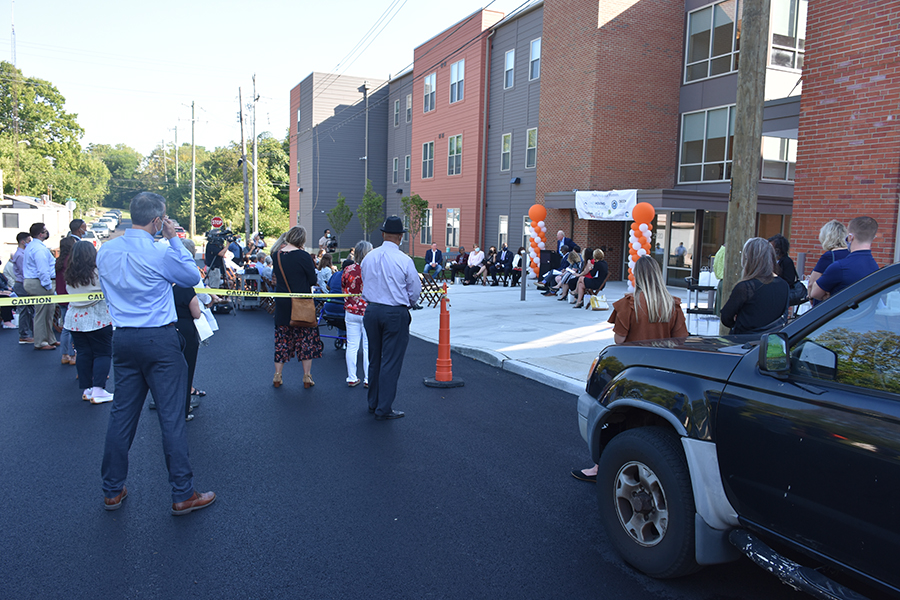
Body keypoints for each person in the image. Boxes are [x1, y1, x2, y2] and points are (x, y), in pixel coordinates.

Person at [97, 192, 215, 515]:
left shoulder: (106, 251)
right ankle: (182, 492)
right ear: (158, 220)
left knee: (122, 415)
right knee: (171, 417)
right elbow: (192, 277)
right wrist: (174, 239)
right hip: (159, 339)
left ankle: (112, 490)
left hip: (123, 338)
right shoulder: (161, 251)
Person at [572, 256, 687, 482]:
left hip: (634, 370)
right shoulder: (672, 304)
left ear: (639, 276)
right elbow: (682, 341)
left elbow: (619, 340)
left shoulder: (630, 304)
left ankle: (600, 467)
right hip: (663, 372)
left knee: (617, 418)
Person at [361, 215, 422, 420]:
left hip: (371, 310)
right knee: (391, 361)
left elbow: (364, 282)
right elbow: (414, 289)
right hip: (395, 311)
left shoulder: (369, 257)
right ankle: (384, 407)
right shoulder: (404, 260)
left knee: (374, 359)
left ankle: (373, 402)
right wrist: (409, 304)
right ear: (399, 236)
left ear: (383, 234)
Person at [272, 226, 323, 389]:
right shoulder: (303, 256)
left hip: (282, 301)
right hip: (301, 302)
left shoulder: (277, 255)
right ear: (302, 239)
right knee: (306, 338)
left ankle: (277, 375)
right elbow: (312, 279)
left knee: (282, 339)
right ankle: (307, 376)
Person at [64, 241, 114, 404]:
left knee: (83, 352)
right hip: (98, 317)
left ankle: (87, 389)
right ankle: (99, 390)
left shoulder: (70, 273)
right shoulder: (98, 272)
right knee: (102, 352)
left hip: (75, 318)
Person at [720, 237, 790, 335]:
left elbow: (726, 317)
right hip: (771, 342)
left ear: (747, 259)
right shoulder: (784, 285)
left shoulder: (745, 287)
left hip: (744, 342)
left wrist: (738, 323)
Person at [809, 216, 879, 302]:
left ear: (850, 237)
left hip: (841, 315)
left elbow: (815, 293)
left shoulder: (839, 267)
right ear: (873, 238)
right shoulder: (876, 268)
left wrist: (828, 294)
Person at [173, 238, 203, 421]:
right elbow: (197, 313)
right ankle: (183, 410)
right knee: (186, 370)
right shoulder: (187, 288)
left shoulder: (164, 286)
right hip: (185, 330)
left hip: (167, 328)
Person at [23, 222, 58, 350]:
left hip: (38, 282)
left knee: (49, 311)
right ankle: (41, 342)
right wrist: (48, 287)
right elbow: (43, 270)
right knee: (42, 312)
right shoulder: (38, 249)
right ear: (40, 234)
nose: (46, 232)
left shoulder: (34, 246)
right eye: (45, 231)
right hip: (40, 283)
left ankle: (50, 339)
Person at [343, 240, 372, 388]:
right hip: (367, 311)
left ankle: (352, 377)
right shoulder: (372, 269)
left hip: (351, 310)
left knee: (352, 345)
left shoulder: (348, 269)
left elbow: (343, 287)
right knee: (368, 346)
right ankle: (368, 378)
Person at [807, 220, 849, 307]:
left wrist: (810, 297)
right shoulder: (851, 253)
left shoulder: (829, 256)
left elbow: (812, 282)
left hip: (827, 302)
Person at [55, 236, 77, 364]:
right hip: (71, 297)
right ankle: (72, 354)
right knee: (72, 328)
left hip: (61, 296)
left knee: (65, 327)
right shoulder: (72, 261)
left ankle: (64, 355)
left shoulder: (58, 261)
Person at [12, 232, 34, 344]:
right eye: (28, 241)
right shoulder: (20, 255)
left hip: (23, 283)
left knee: (29, 309)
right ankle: (24, 335)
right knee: (24, 310)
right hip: (22, 284)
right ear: (22, 241)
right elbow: (24, 271)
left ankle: (31, 332)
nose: (30, 243)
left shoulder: (22, 253)